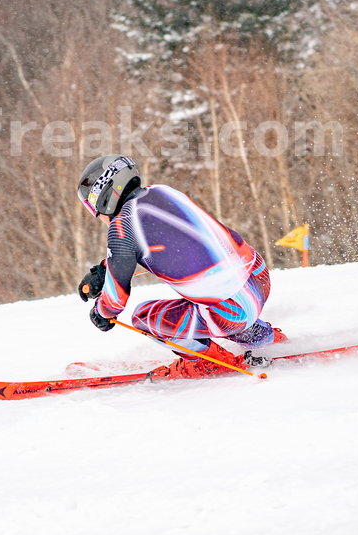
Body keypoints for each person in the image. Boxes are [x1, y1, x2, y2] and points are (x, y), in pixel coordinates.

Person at [75, 154, 286, 376]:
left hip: (231, 311)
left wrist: (101, 312)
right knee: (210, 298)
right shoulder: (162, 191)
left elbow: (115, 300)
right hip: (258, 278)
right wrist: (105, 269)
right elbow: (175, 245)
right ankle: (263, 338)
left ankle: (207, 362)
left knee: (143, 317)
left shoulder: (122, 227)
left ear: (104, 196)